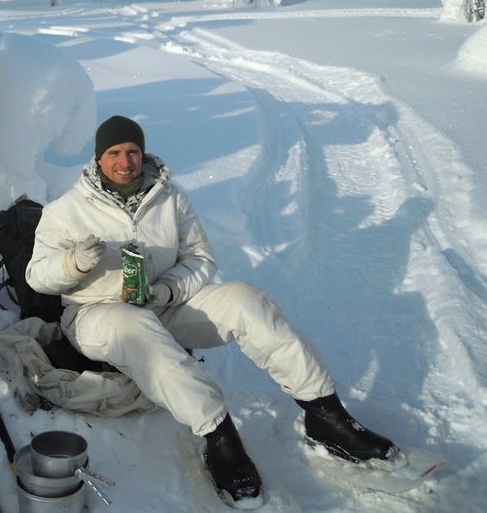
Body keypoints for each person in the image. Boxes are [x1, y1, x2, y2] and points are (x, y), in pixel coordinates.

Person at [26, 115, 396, 506]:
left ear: (143, 153)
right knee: (135, 329)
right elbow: (37, 277)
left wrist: (168, 291)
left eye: (132, 151)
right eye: (113, 153)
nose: (125, 161)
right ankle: (219, 436)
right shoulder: (66, 209)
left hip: (160, 302)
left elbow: (200, 260)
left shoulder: (170, 198)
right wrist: (73, 264)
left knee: (247, 301)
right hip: (94, 314)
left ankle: (327, 416)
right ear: (98, 159)